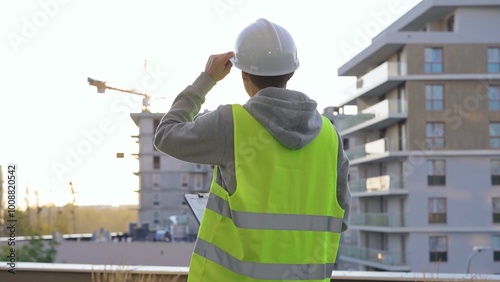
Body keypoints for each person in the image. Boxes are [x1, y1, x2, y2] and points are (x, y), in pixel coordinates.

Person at [154, 18, 351, 282]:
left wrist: (206, 80)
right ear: (291, 72)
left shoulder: (231, 124)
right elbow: (341, 218)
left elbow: (166, 135)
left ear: (242, 73)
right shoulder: (329, 136)